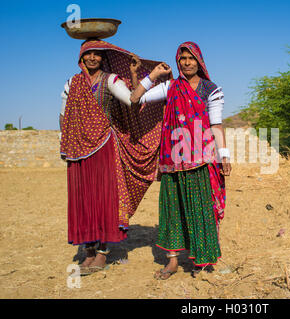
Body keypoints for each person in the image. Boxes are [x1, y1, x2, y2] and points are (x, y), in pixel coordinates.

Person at [60, 39, 166, 275]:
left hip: (104, 147)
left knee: (104, 199)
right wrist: (67, 142)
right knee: (83, 200)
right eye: (89, 54)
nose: (93, 58)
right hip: (78, 151)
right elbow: (63, 115)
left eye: (98, 54)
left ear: (103, 58)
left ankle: (102, 253)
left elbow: (132, 99)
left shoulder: (110, 80)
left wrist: (144, 76)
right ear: (81, 57)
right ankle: (87, 251)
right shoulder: (71, 83)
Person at [130, 41, 231, 279]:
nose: (187, 63)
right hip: (172, 159)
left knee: (201, 209)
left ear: (199, 61)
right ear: (178, 62)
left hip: (201, 160)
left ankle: (203, 262)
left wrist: (223, 155)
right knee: (172, 210)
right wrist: (149, 75)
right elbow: (136, 98)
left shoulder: (212, 90)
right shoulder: (170, 87)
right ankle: (172, 262)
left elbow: (216, 125)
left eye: (191, 58)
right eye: (182, 59)